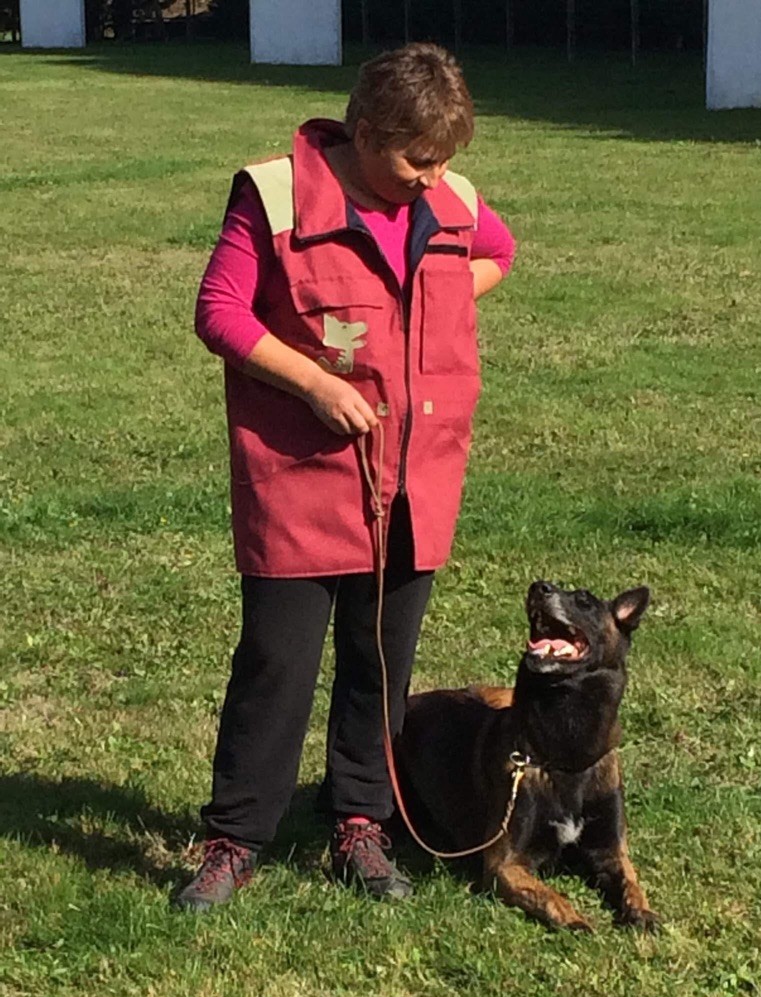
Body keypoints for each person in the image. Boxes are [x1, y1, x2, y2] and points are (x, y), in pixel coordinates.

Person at [175, 42, 515, 912]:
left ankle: (360, 821)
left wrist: (436, 307)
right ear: (364, 133)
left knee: (382, 664)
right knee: (276, 665)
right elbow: (218, 311)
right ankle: (235, 836)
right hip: (301, 476)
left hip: (414, 477)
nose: (431, 178)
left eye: (444, 161)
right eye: (415, 159)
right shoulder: (275, 195)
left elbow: (500, 255)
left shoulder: (450, 197)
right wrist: (318, 383)